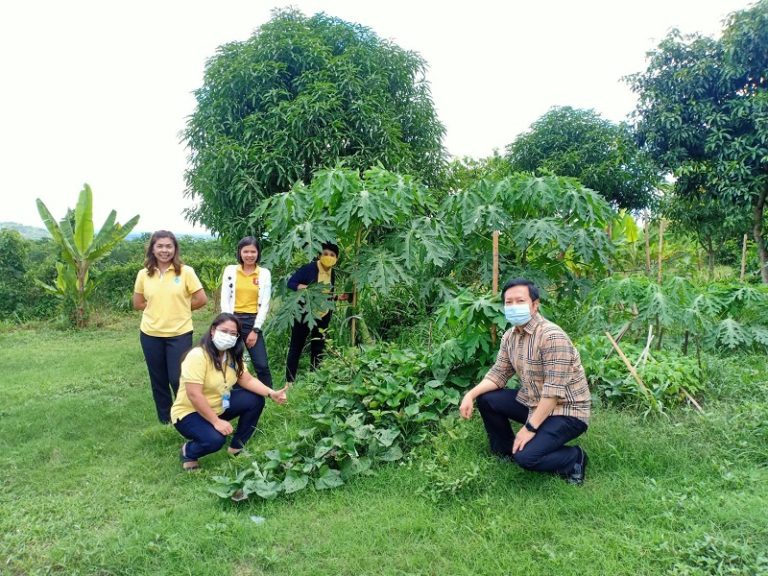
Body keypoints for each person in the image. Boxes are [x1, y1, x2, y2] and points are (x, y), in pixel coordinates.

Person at [459, 278, 591, 485]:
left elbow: (553, 393)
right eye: (508, 302)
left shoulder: (552, 336)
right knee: (487, 399)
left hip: (567, 411)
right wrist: (470, 395)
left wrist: (529, 429)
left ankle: (573, 458)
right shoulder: (510, 336)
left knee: (527, 458)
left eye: (519, 301)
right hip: (534, 402)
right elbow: (499, 374)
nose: (513, 306)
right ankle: (505, 452)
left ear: (534, 304)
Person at [172, 313, 288, 471]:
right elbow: (194, 395)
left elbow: (247, 380)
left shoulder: (231, 356)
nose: (228, 336)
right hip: (189, 412)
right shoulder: (198, 356)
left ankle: (236, 447)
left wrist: (271, 393)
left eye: (233, 334)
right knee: (215, 440)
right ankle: (189, 451)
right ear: (213, 330)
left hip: (218, 405)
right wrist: (216, 422)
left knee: (255, 399)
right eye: (224, 331)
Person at [133, 230, 208, 424]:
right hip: (150, 334)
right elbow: (138, 303)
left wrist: (182, 308)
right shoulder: (144, 274)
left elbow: (201, 299)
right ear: (152, 248)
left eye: (168, 246)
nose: (164, 250)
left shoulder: (186, 272)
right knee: (158, 380)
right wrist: (156, 310)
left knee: (178, 378)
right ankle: (165, 420)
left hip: (179, 333)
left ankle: (184, 415)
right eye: (160, 246)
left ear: (175, 249)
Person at [284, 242, 348, 384]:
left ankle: (314, 380)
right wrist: (306, 288)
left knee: (318, 347)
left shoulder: (332, 273)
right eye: (325, 254)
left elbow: (325, 293)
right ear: (319, 255)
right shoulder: (308, 268)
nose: (328, 257)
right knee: (296, 346)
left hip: (323, 315)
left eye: (332, 255)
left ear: (336, 259)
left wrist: (338, 297)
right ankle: (289, 382)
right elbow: (291, 283)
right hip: (304, 314)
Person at [220, 236, 273, 388]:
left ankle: (268, 393)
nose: (249, 255)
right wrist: (228, 323)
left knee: (261, 364)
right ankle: (232, 391)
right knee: (230, 361)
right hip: (232, 320)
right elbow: (225, 299)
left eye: (253, 251)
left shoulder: (264, 273)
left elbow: (265, 304)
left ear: (258, 253)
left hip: (252, 321)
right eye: (246, 251)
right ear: (240, 253)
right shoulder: (230, 271)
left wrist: (256, 329)